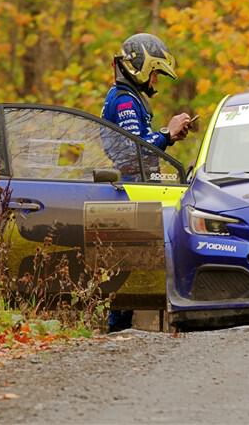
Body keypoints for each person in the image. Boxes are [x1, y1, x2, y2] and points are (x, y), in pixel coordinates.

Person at [101, 33, 192, 333]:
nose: (156, 81)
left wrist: (167, 136)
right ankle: (117, 335)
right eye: (155, 73)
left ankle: (125, 332)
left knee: (133, 272)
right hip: (129, 195)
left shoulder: (125, 97)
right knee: (131, 272)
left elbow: (138, 146)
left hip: (133, 192)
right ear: (140, 67)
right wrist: (166, 134)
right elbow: (133, 151)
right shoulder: (125, 101)